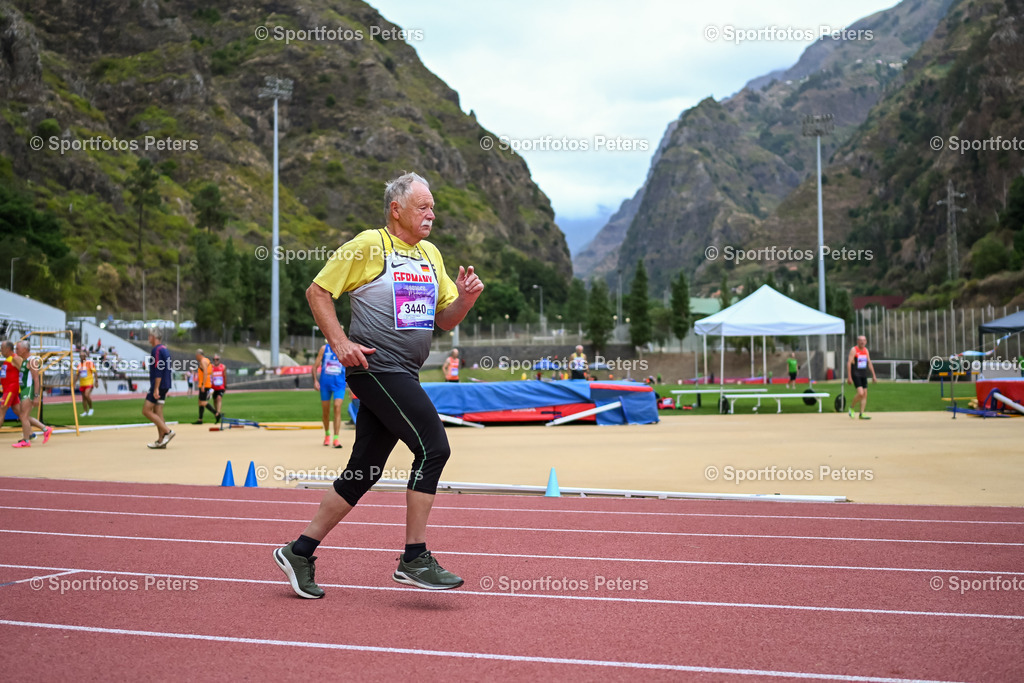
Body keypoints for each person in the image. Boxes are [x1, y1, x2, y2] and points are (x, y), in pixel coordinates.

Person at [274, 172, 484, 598]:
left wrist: (464, 299)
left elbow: (443, 320)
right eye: (423, 206)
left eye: (432, 207)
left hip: (405, 372)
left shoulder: (429, 254)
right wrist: (340, 343)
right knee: (434, 448)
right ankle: (414, 557)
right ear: (397, 210)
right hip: (375, 369)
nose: (432, 213)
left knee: (362, 472)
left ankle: (300, 550)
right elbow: (318, 292)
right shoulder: (369, 245)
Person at [11, 341, 53, 448]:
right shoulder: (24, 361)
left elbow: (36, 379)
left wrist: (36, 396)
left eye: (18, 349)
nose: (16, 351)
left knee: (23, 416)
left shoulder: (32, 361)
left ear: (25, 349)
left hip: (29, 391)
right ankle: (45, 429)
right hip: (24, 390)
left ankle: (26, 440)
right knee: (23, 415)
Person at [143, 330, 174, 448]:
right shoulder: (164, 349)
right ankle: (161, 440)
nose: (148, 338)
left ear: (153, 337)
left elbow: (158, 370)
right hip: (165, 384)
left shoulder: (156, 350)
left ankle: (167, 431)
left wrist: (156, 388)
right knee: (158, 411)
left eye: (149, 336)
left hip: (159, 385)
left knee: (146, 410)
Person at [313, 341, 347, 448]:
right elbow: (315, 367)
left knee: (337, 407)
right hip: (325, 384)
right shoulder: (324, 349)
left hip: (339, 384)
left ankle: (336, 438)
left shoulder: (344, 349)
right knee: (326, 411)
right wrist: (315, 381)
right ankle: (327, 434)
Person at [847, 335, 877, 420]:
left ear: (866, 341)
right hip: (856, 374)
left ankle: (861, 413)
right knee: (860, 393)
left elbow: (869, 363)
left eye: (864, 340)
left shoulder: (866, 350)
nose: (862, 342)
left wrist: (873, 375)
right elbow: (849, 363)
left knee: (865, 395)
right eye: (860, 340)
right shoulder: (854, 350)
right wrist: (849, 376)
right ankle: (851, 407)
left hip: (863, 374)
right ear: (857, 341)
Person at [0, 341, 21, 431]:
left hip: (11, 388)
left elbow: (24, 371)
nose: (1, 350)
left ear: (8, 349)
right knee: (20, 413)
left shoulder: (15, 358)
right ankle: (44, 428)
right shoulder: (8, 359)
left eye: (2, 348)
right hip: (7, 389)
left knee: (2, 409)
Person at [193, 349, 215, 424]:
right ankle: (200, 419)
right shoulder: (207, 360)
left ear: (199, 355)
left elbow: (205, 372)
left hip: (204, 385)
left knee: (202, 402)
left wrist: (203, 385)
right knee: (200, 402)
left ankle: (217, 414)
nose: (196, 357)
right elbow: (210, 372)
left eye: (196, 356)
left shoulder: (203, 361)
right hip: (206, 383)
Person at [76, 349, 97, 416]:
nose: (81, 357)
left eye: (82, 355)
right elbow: (77, 375)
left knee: (86, 395)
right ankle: (85, 411)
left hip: (89, 382)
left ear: (85, 356)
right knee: (83, 398)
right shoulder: (79, 365)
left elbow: (95, 372)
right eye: (80, 356)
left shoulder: (89, 363)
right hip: (82, 383)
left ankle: (91, 408)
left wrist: (96, 381)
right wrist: (73, 383)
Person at [209, 354, 227, 419]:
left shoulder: (223, 367)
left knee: (219, 398)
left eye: (217, 359)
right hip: (213, 387)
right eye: (214, 359)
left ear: (219, 360)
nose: (215, 361)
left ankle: (218, 412)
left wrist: (225, 385)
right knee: (215, 400)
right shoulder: (211, 367)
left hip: (221, 387)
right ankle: (217, 412)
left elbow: (225, 376)